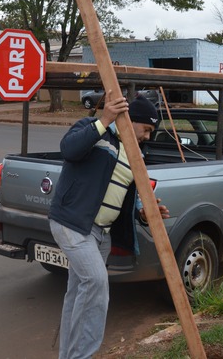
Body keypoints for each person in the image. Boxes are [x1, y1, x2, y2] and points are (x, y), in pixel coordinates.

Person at [48, 93, 169, 359]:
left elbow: (126, 198)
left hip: (101, 236)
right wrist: (104, 120)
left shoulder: (135, 155)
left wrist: (144, 214)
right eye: (146, 129)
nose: (147, 136)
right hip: (73, 223)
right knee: (96, 283)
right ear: (131, 120)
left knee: (77, 293)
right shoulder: (93, 130)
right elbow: (68, 149)